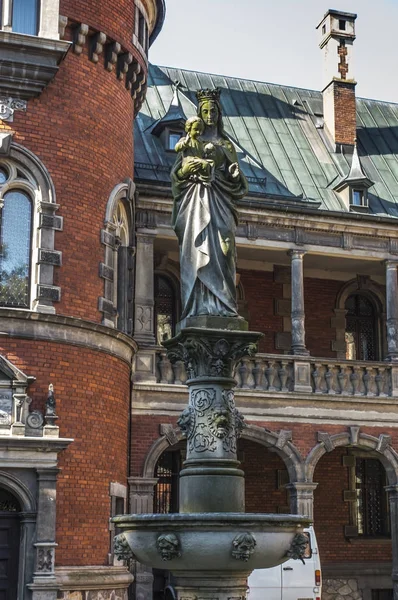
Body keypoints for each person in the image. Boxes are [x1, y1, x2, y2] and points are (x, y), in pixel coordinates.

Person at [171, 88, 248, 319]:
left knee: (224, 252)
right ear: (199, 113)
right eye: (205, 111)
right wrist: (187, 169)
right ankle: (198, 308)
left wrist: (234, 175)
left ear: (219, 113)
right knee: (196, 253)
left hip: (221, 201)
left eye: (213, 110)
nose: (209, 115)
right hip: (195, 201)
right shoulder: (189, 142)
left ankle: (224, 308)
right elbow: (176, 175)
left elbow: (239, 181)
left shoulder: (226, 144)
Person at [174, 116, 215, 182]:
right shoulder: (185, 140)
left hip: (198, 161)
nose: (198, 132)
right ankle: (204, 179)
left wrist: (207, 150)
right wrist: (185, 143)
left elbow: (202, 154)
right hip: (190, 162)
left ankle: (205, 178)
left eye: (200, 130)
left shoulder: (200, 142)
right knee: (205, 164)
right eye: (196, 129)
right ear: (189, 129)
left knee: (211, 163)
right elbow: (177, 148)